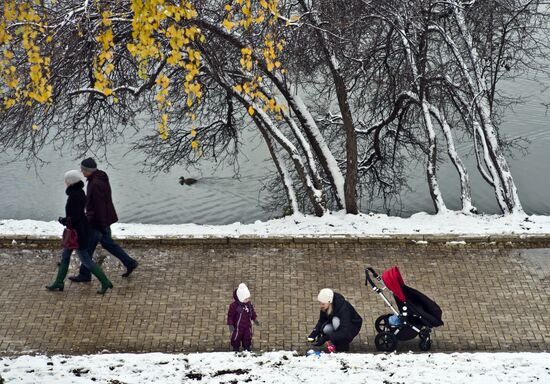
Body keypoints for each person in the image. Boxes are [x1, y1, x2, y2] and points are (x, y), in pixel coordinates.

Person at [68, 158, 138, 282]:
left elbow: (98, 206)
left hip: (98, 221)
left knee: (89, 248)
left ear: (87, 170)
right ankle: (129, 263)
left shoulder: (94, 184)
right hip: (103, 219)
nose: (81, 171)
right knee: (106, 244)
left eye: (82, 169)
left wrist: (98, 224)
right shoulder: (100, 177)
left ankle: (85, 274)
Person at [46, 170, 113, 294]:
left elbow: (76, 217)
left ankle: (105, 282)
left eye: (66, 180)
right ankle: (59, 282)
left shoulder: (75, 196)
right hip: (76, 232)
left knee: (86, 260)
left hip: (77, 234)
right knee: (65, 256)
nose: (65, 182)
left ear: (71, 182)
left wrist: (64, 220)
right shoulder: (78, 193)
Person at [307, 288, 363, 352]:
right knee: (326, 328)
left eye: (323, 304)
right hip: (340, 325)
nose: (321, 306)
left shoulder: (344, 309)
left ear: (329, 302)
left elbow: (344, 331)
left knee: (335, 321)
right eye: (320, 303)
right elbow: (321, 321)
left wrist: (326, 338)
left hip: (352, 326)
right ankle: (335, 340)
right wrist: (314, 334)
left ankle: (342, 344)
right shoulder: (325, 306)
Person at [227, 283, 259, 352]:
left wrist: (254, 318)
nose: (247, 300)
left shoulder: (249, 304)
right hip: (238, 326)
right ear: (241, 298)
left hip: (247, 325)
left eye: (248, 298)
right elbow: (230, 316)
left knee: (247, 336)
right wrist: (230, 324)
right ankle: (235, 347)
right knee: (236, 337)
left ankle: (247, 347)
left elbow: (252, 311)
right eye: (245, 299)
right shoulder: (234, 306)